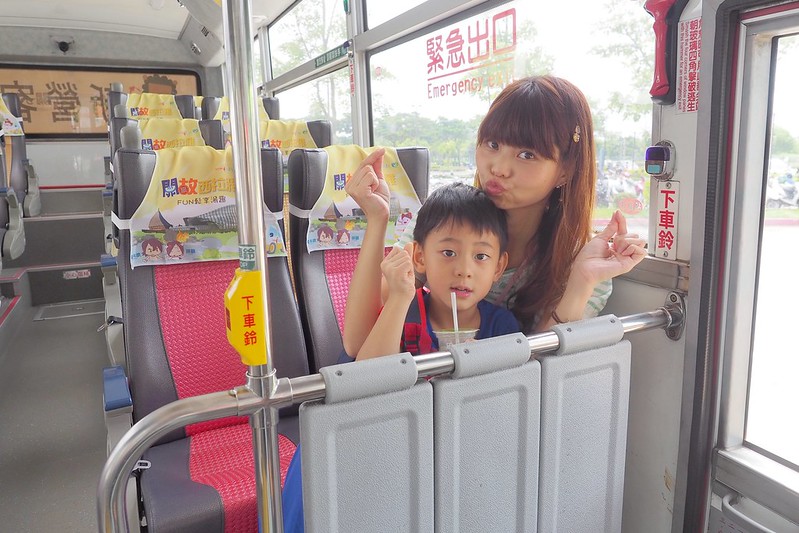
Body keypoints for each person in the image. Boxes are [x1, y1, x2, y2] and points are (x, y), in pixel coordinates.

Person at [283, 75, 647, 531]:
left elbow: (541, 376)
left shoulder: (579, 261)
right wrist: (376, 220)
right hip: (395, 399)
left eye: (527, 155)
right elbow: (359, 345)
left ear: (566, 170)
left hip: (485, 423)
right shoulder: (448, 220)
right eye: (491, 144)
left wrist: (580, 282)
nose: (499, 167)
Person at [342, 181, 520, 361]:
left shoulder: (502, 327)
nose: (464, 270)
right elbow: (369, 373)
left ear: (498, 267)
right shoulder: (402, 314)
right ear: (420, 257)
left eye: (481, 256)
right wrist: (399, 298)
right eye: (449, 253)